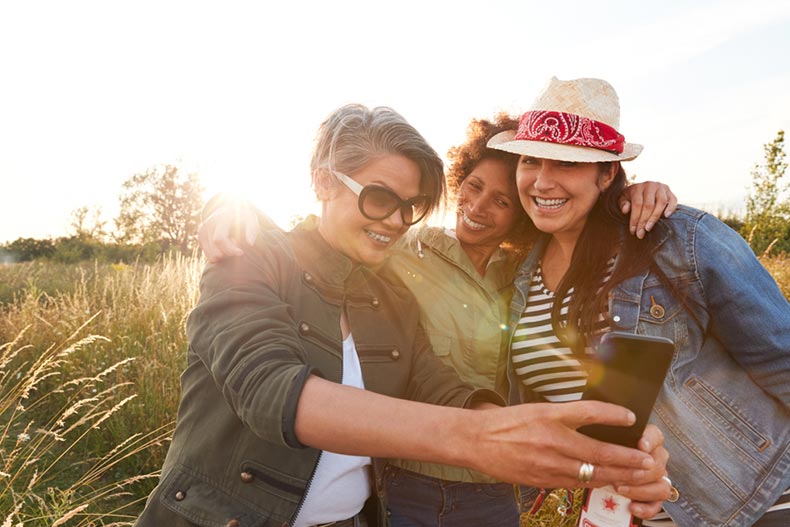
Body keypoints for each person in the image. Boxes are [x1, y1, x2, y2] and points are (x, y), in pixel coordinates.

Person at [195, 110, 677, 525]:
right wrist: (233, 209)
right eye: (379, 199)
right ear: (322, 181)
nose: (396, 222)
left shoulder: (396, 294)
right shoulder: (260, 258)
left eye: (411, 207)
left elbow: (435, 382)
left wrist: (543, 439)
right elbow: (266, 386)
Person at [486, 76, 790, 527]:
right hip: (619, 514)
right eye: (531, 159)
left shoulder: (679, 239)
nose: (543, 180)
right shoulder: (517, 273)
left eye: (567, 163)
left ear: (607, 173)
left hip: (751, 500)